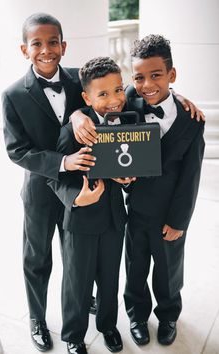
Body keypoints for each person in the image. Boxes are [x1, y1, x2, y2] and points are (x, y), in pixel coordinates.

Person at [1, 12, 96, 352]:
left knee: (77, 256)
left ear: (64, 46)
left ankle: (80, 307)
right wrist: (62, 161)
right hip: (40, 191)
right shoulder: (13, 94)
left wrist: (176, 97)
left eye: (52, 42)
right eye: (36, 43)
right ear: (23, 49)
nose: (45, 49)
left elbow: (115, 97)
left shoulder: (78, 80)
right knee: (37, 258)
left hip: (79, 189)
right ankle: (37, 318)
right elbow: (17, 150)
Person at [47, 56, 135, 354]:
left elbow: (132, 165)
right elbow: (55, 178)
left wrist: (126, 180)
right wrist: (77, 198)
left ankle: (108, 326)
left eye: (119, 90)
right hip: (81, 221)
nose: (115, 100)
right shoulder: (72, 131)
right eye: (103, 94)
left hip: (113, 218)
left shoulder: (127, 123)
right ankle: (73, 335)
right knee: (77, 282)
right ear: (86, 97)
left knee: (110, 277)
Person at [122, 34, 205, 347]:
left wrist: (179, 220)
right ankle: (136, 315)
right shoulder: (129, 99)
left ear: (172, 75)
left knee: (169, 270)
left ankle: (168, 314)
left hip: (170, 212)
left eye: (156, 75)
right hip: (135, 208)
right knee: (135, 266)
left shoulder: (191, 121)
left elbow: (191, 177)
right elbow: (93, 91)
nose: (147, 84)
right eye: (139, 77)